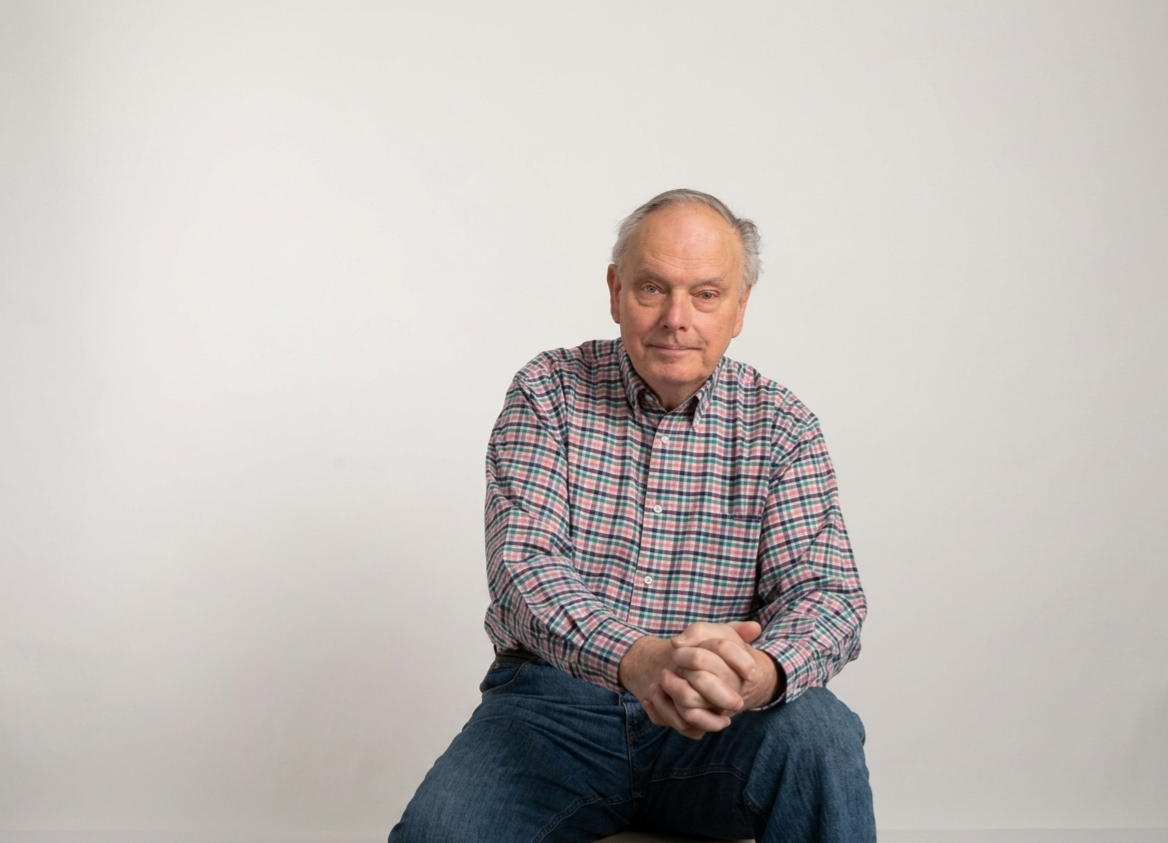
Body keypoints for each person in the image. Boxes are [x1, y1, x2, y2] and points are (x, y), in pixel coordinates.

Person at [389, 189, 875, 842]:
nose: (677, 318)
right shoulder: (548, 392)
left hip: (719, 723)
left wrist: (759, 676)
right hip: (552, 713)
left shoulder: (782, 426)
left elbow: (828, 595)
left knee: (820, 734)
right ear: (616, 291)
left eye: (706, 294)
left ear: (739, 307)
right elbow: (524, 567)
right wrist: (638, 659)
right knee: (438, 834)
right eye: (653, 288)